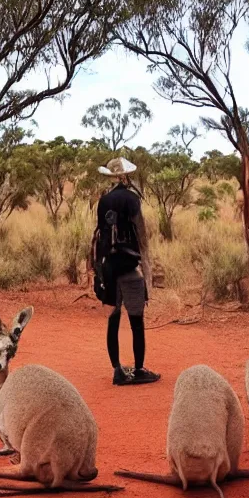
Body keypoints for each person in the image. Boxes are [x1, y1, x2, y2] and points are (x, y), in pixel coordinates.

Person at [92, 157, 161, 386]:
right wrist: (147, 267)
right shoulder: (132, 199)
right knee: (136, 321)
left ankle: (117, 370)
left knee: (113, 320)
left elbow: (100, 236)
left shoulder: (103, 201)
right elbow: (141, 234)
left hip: (109, 269)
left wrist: (99, 270)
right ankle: (139, 369)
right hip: (131, 269)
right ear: (124, 176)